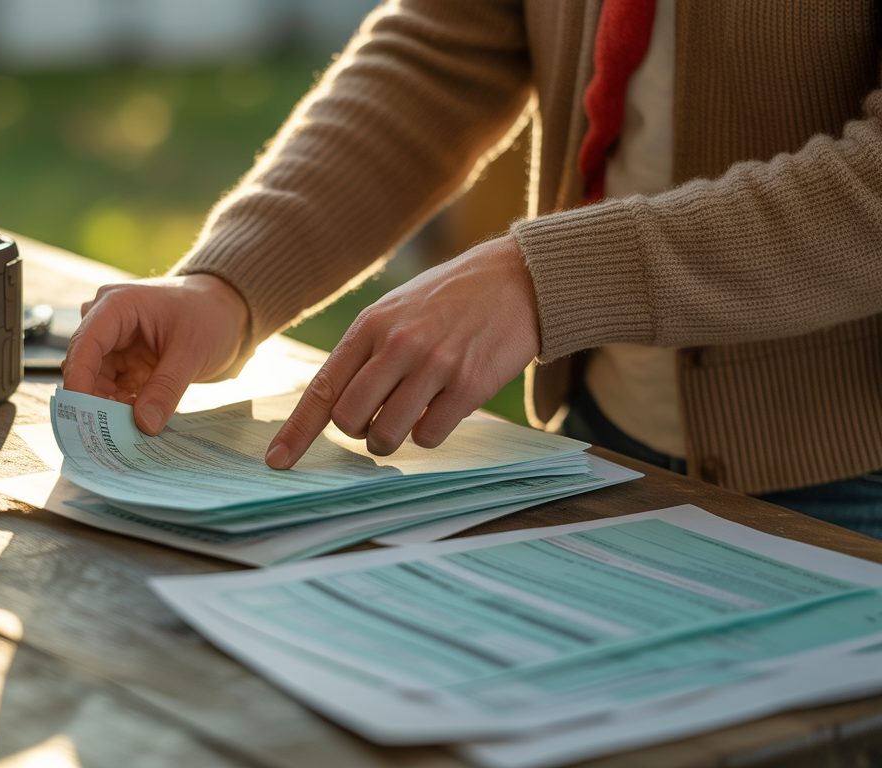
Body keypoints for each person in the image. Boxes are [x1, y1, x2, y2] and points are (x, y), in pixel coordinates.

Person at [63, 0, 882, 537]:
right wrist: (229, 286)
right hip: (605, 446)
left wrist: (542, 280)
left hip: (854, 486)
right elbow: (445, 46)